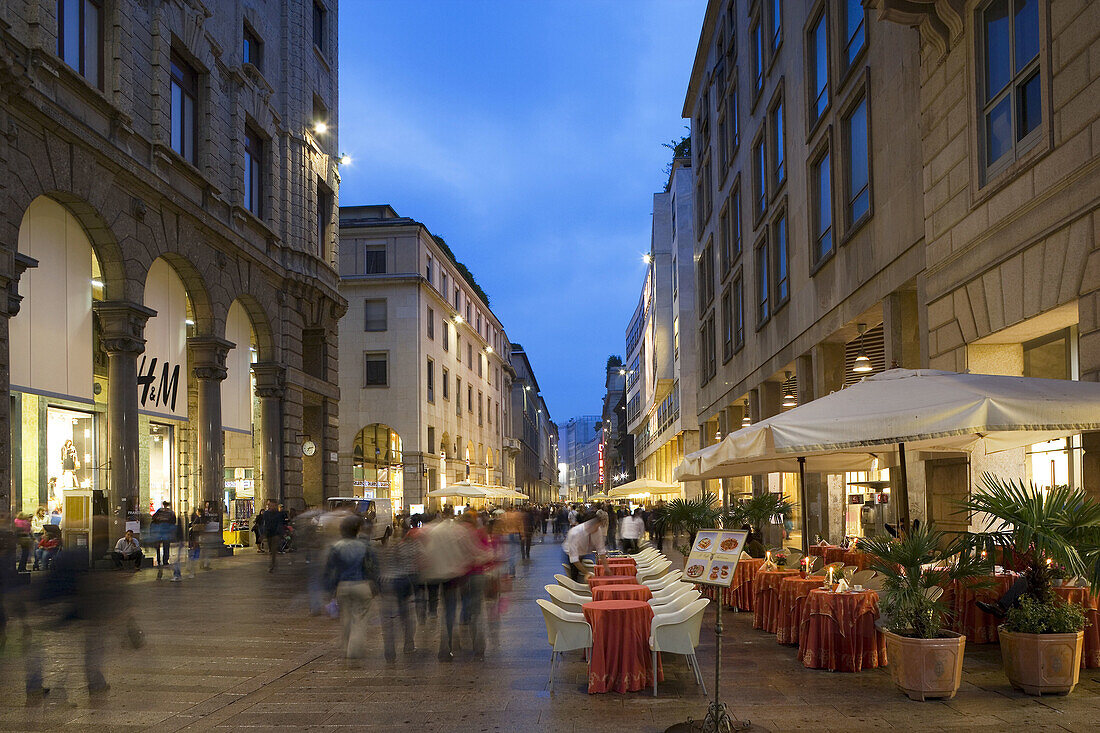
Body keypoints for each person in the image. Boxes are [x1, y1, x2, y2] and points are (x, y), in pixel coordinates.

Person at [324, 515, 379, 666]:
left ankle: (346, 645)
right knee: (360, 618)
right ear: (357, 530)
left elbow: (330, 571)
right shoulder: (365, 546)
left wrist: (330, 590)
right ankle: (354, 650)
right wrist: (376, 586)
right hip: (361, 585)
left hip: (343, 586)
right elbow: (373, 567)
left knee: (346, 617)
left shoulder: (336, 547)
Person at [378, 528, 420, 662]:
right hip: (403, 582)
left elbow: (380, 567)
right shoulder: (408, 547)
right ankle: (408, 644)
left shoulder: (385, 548)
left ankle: (389, 651)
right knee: (406, 616)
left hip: (388, 583)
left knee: (388, 619)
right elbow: (413, 566)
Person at [562, 510, 611, 581]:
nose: (598, 528)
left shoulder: (597, 529)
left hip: (583, 552)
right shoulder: (574, 533)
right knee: (574, 575)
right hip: (568, 552)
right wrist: (587, 573)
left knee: (582, 572)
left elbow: (601, 550)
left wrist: (606, 568)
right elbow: (574, 559)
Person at [150, 501, 176, 578]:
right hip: (166, 531)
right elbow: (173, 522)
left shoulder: (159, 511)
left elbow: (153, 518)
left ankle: (159, 560)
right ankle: (165, 560)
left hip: (159, 531)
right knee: (166, 546)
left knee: (158, 546)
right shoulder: (171, 512)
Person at [258, 500, 285, 573]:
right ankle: (274, 562)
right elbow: (265, 524)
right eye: (271, 505)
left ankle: (272, 565)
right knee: (271, 550)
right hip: (269, 533)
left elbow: (281, 524)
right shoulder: (266, 514)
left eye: (274, 505)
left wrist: (281, 534)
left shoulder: (279, 514)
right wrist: (263, 534)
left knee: (273, 550)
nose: (273, 507)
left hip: (276, 534)